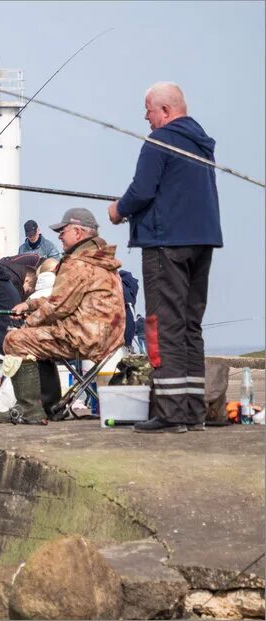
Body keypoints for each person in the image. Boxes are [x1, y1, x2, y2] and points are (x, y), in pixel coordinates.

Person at [107, 82, 223, 433]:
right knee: (190, 324)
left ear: (166, 111)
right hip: (202, 242)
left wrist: (118, 210)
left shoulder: (159, 141)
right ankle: (192, 411)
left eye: (148, 109)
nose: (145, 117)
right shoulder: (201, 143)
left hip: (166, 244)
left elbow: (142, 191)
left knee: (163, 325)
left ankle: (171, 413)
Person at [0, 208, 125, 425]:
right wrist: (30, 304)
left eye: (63, 230)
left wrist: (27, 322)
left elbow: (58, 305)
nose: (59, 235)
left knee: (15, 340)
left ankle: (29, 409)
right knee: (35, 340)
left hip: (84, 337)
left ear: (79, 232)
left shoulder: (77, 263)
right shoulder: (101, 260)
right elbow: (66, 300)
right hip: (108, 338)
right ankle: (49, 406)